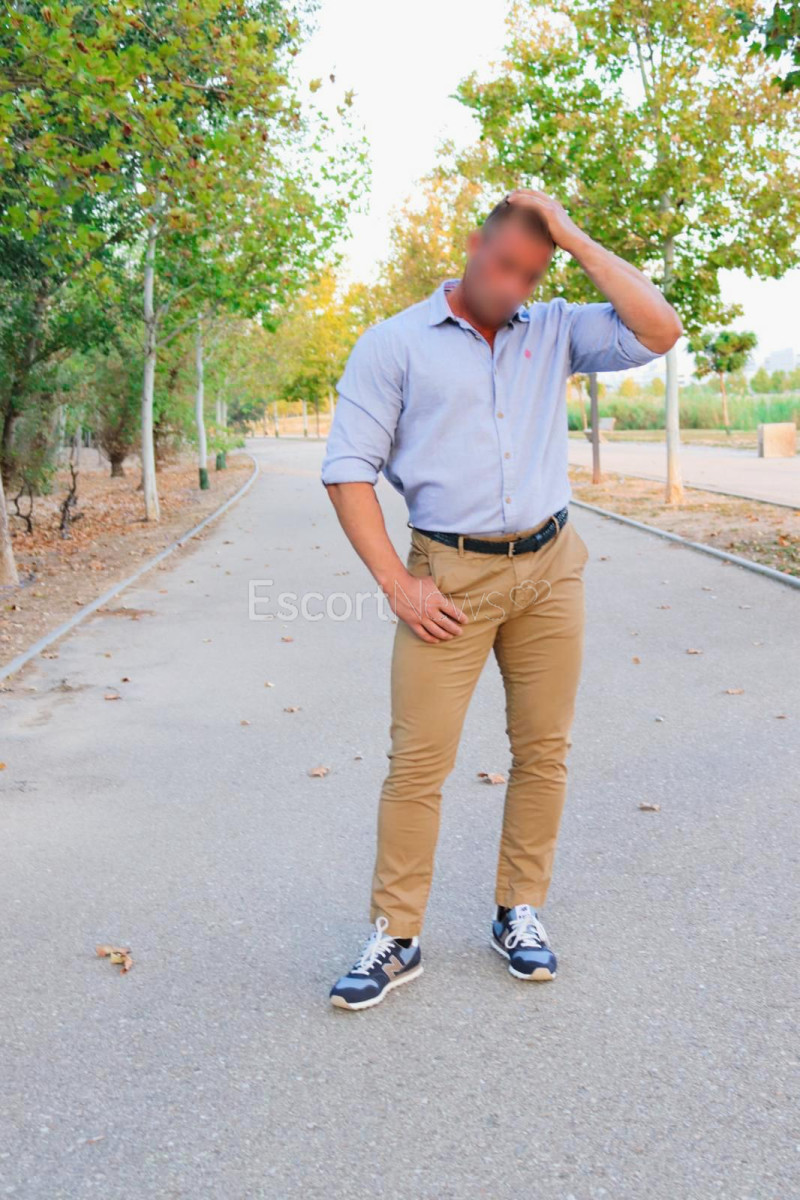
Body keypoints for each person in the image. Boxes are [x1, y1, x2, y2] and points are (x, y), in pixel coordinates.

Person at [320, 188, 683, 1011]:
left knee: (543, 751)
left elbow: (660, 330)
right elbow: (347, 469)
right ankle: (396, 934)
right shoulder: (394, 343)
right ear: (474, 245)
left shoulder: (555, 328)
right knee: (418, 763)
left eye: (532, 273)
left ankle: (518, 911)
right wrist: (398, 584)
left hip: (550, 567)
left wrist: (571, 235)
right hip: (449, 578)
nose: (514, 286)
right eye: (506, 265)